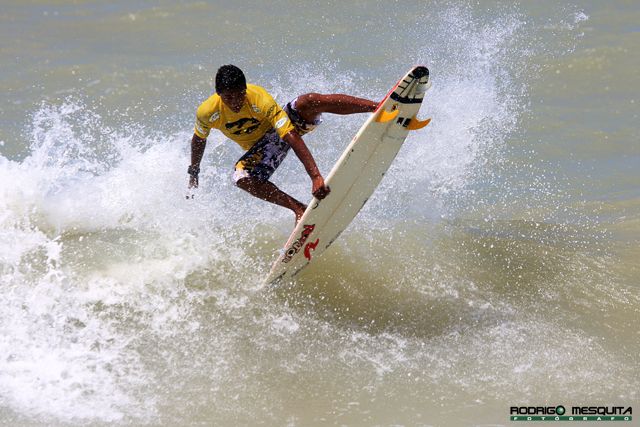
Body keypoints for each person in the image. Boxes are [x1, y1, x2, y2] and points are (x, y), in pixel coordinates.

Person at [187, 64, 377, 224]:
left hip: (285, 129)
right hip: (262, 150)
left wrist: (316, 177)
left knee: (308, 101)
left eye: (239, 95)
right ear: (218, 94)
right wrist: (194, 171)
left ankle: (376, 107)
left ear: (245, 90)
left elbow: (290, 135)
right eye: (228, 97)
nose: (235, 102)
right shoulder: (207, 112)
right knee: (240, 177)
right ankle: (299, 209)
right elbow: (199, 139)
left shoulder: (260, 99)